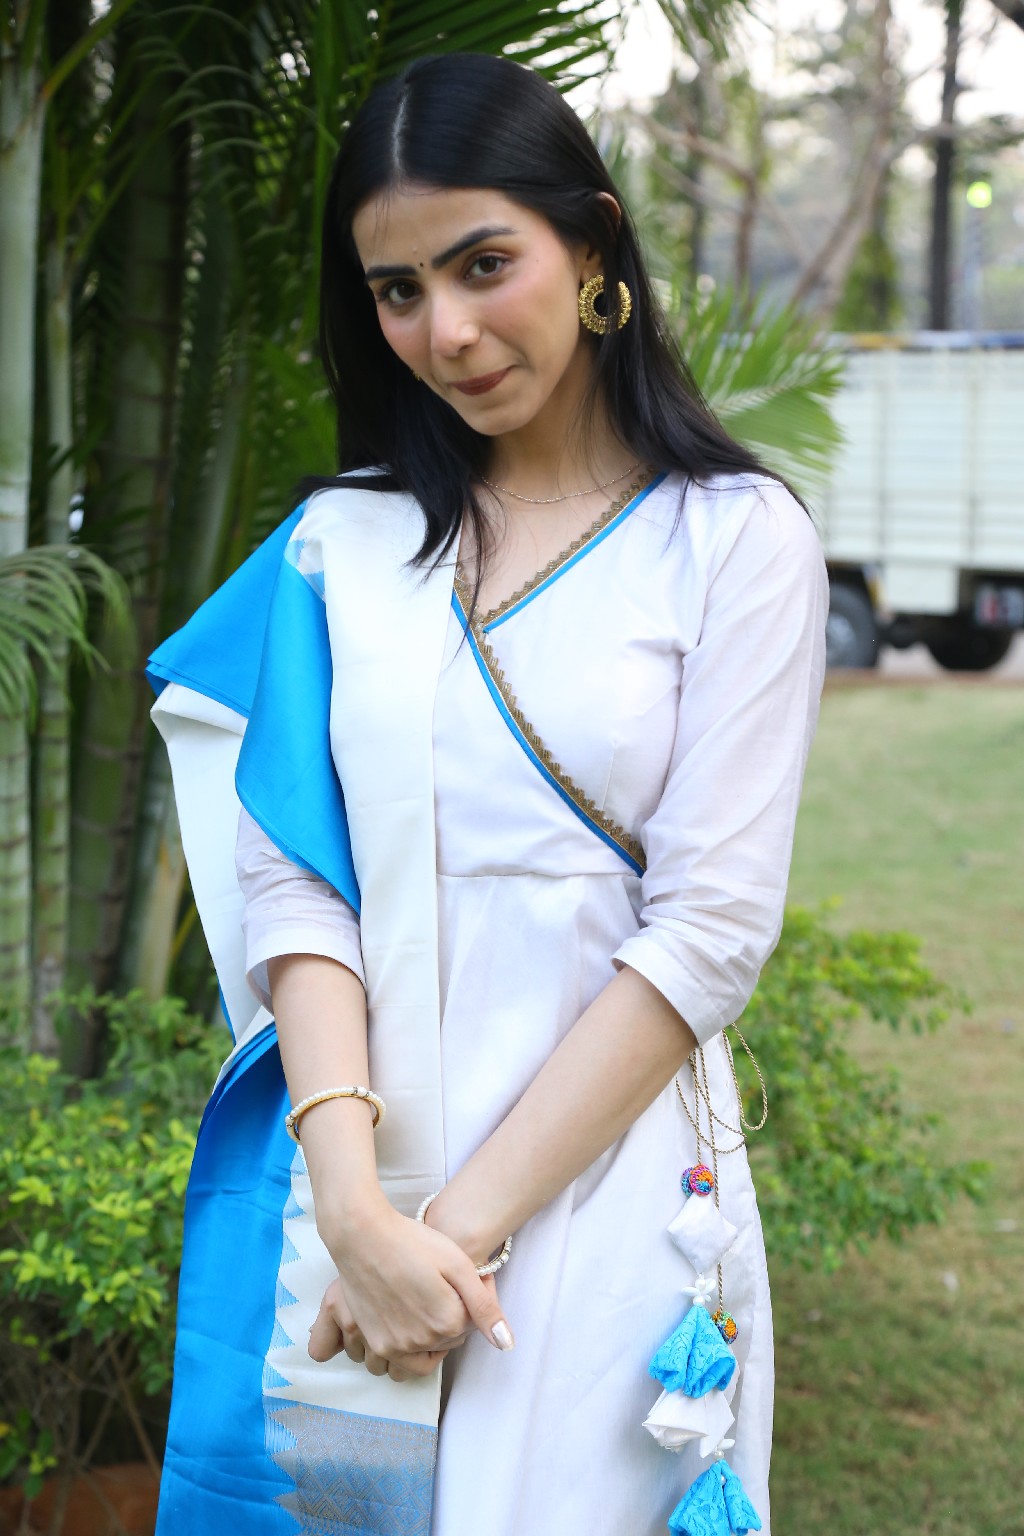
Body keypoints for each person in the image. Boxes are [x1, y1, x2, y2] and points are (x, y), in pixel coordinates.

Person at [148, 51, 827, 1536]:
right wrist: (355, 1215)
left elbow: (709, 929)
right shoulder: (340, 546)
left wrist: (446, 1246)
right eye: (397, 290)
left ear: (591, 244)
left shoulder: (733, 539)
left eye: (482, 264)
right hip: (358, 1174)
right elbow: (298, 883)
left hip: (608, 1187)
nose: (445, 331)